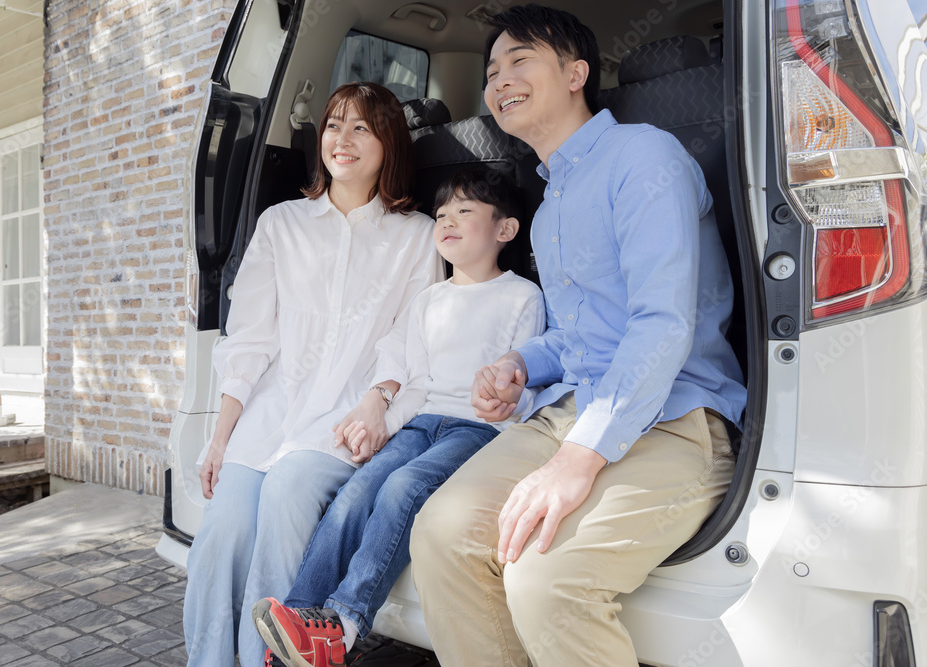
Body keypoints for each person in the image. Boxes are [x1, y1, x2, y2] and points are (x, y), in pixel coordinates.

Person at [409, 5, 748, 666]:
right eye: (491, 71)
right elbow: (577, 336)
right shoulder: (550, 206)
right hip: (573, 410)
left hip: (678, 418)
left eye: (520, 60)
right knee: (440, 535)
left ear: (575, 74)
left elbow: (661, 323)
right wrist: (520, 362)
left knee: (548, 581)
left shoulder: (643, 156)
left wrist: (579, 457)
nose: (500, 79)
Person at [182, 81, 444, 667]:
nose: (341, 139)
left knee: (286, 497)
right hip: (270, 413)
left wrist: (378, 402)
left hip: (345, 418)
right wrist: (219, 439)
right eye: (333, 125)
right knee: (223, 530)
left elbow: (411, 344)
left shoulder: (417, 236)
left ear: (389, 144)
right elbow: (249, 339)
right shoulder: (281, 224)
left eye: (361, 127)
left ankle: (269, 660)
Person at [252, 168, 547, 667]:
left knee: (402, 487)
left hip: (479, 431)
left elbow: (528, 381)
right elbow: (417, 381)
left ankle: (343, 626)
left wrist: (510, 400)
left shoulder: (522, 296)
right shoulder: (428, 300)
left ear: (505, 229)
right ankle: (299, 624)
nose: (447, 221)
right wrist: (384, 427)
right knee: (356, 493)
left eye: (464, 211)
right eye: (441, 214)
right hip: (422, 423)